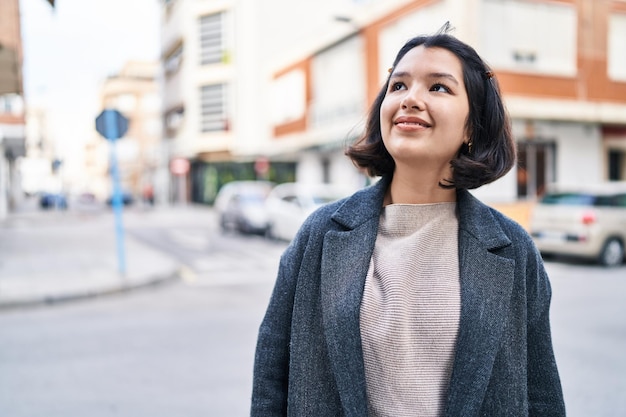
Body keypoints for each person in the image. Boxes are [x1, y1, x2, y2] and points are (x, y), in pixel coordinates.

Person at [251, 24, 566, 417]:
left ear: (472, 127)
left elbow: (541, 394)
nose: (410, 99)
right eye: (398, 86)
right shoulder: (321, 233)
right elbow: (272, 375)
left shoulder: (512, 249)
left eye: (438, 87)